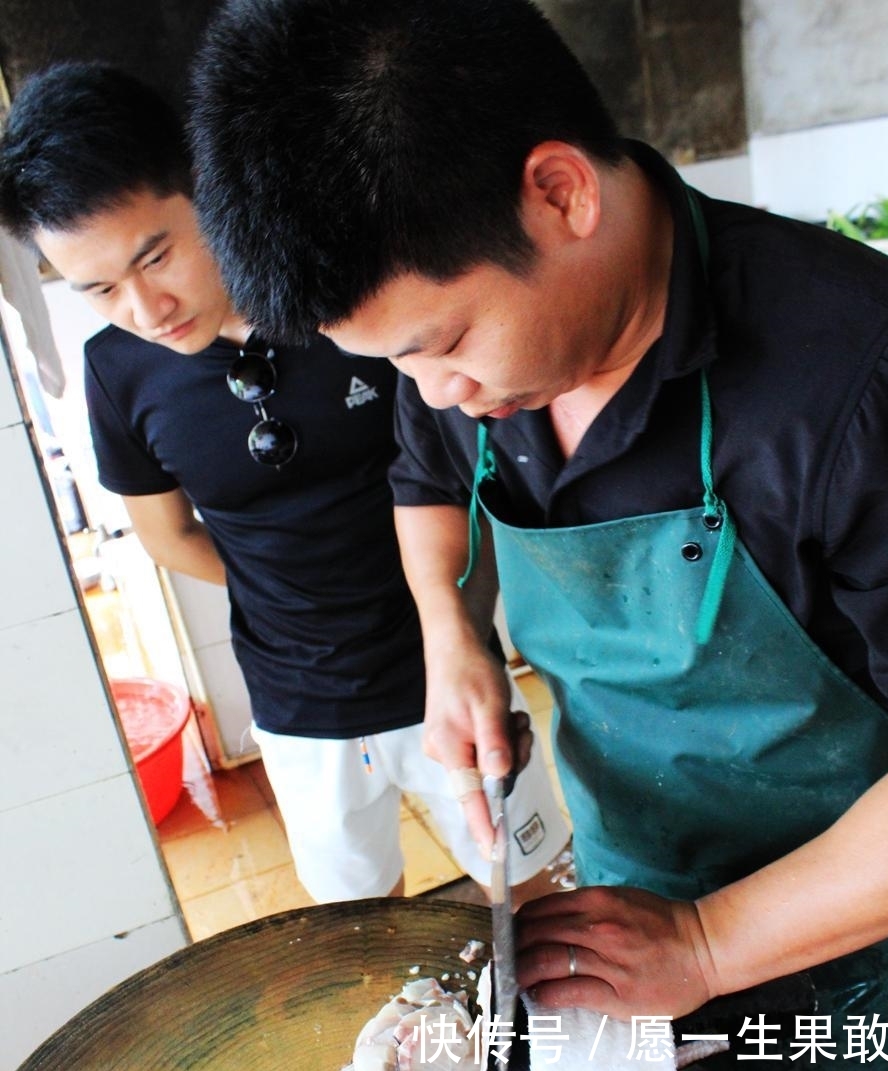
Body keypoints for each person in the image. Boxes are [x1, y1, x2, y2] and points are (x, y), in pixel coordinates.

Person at [188, 0, 888, 1059]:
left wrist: (707, 945)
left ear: (561, 192)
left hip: (854, 949)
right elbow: (425, 481)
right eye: (397, 368)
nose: (436, 391)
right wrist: (452, 636)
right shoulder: (456, 377)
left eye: (447, 343)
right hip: (637, 886)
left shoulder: (855, 378)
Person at [0, 61, 571, 907]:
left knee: (540, 893)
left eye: (155, 256)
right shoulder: (117, 371)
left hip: (444, 663)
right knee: (357, 932)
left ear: (203, 185)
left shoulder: (348, 291)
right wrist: (289, 588)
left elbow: (469, 457)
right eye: (99, 290)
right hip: (297, 708)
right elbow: (166, 535)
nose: (145, 309)